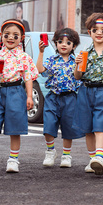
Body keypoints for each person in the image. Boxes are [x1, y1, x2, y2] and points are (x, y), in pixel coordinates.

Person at [0, 19, 39, 172]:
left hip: (16, 92)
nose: (11, 38)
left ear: (22, 38)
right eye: (7, 35)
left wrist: (30, 96)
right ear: (1, 36)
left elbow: (28, 78)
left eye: (15, 35)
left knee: (15, 127)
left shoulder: (24, 57)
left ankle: (13, 159)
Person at [74, 12, 103, 176]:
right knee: (88, 128)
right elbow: (78, 77)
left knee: (100, 126)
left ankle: (100, 157)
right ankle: (92, 159)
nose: (99, 33)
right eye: (95, 30)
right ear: (89, 32)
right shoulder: (84, 52)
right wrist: (77, 65)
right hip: (85, 91)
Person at [36, 28, 84, 168]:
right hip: (53, 97)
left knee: (68, 128)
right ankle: (50, 151)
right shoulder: (52, 59)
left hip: (70, 98)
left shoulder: (76, 60)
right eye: (60, 41)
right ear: (55, 43)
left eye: (68, 42)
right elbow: (40, 70)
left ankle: (66, 155)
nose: (64, 44)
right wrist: (41, 52)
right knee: (48, 125)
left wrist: (78, 65)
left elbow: (79, 78)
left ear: (73, 46)